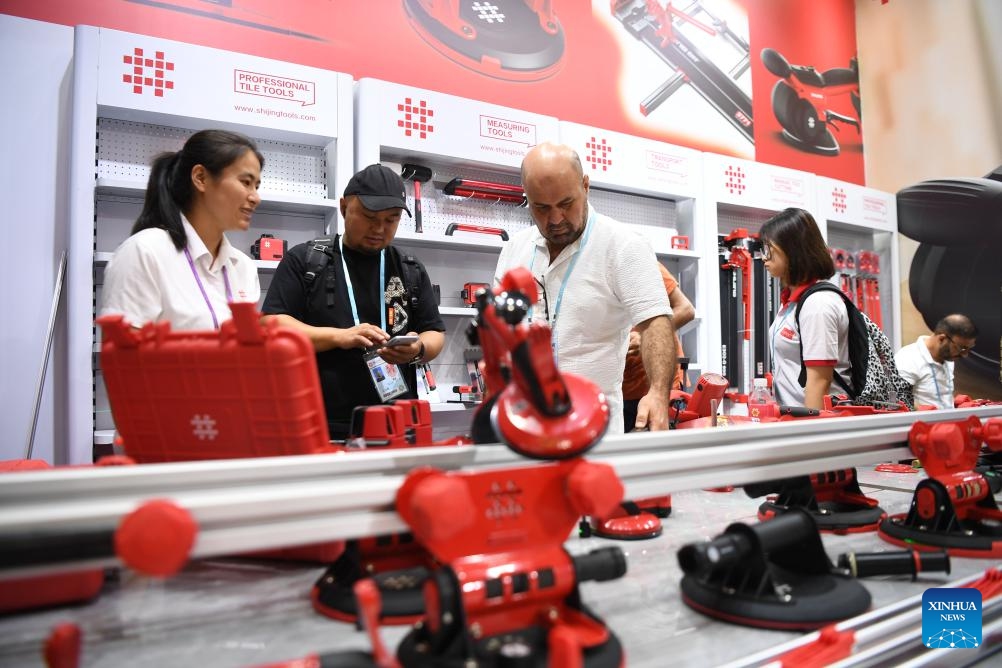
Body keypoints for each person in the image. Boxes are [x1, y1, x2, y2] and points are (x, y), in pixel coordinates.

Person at [494, 142, 676, 434]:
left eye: (566, 204)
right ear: (527, 198)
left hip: (595, 430)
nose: (555, 219)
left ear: (586, 186)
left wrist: (657, 392)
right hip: (525, 425)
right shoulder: (513, 250)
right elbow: (499, 329)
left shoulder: (623, 245)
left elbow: (656, 323)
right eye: (541, 208)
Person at [262, 164, 445, 440]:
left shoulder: (409, 267)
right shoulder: (306, 260)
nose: (379, 228)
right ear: (344, 206)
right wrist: (340, 337)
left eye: (391, 219)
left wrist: (418, 349)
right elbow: (271, 324)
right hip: (322, 427)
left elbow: (434, 332)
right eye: (369, 216)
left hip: (397, 424)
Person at [100, 129, 264, 330]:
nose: (255, 197)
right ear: (201, 178)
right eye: (246, 182)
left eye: (257, 186)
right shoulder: (144, 252)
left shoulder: (243, 267)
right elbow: (121, 357)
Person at [761, 207, 851, 410]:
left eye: (769, 248)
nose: (764, 257)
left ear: (792, 249)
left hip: (817, 425)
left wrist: (809, 434)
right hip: (795, 419)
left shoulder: (817, 305)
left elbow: (819, 382)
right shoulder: (794, 303)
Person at [622, 263, 695, 431]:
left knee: (661, 451)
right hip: (621, 388)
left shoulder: (637, 260)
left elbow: (686, 310)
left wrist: (645, 336)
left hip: (659, 384)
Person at [894, 315, 977, 409]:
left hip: (947, 421)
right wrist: (920, 410)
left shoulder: (947, 357)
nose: (965, 355)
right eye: (962, 348)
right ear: (942, 339)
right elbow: (897, 400)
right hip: (921, 422)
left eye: (968, 349)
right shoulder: (907, 358)